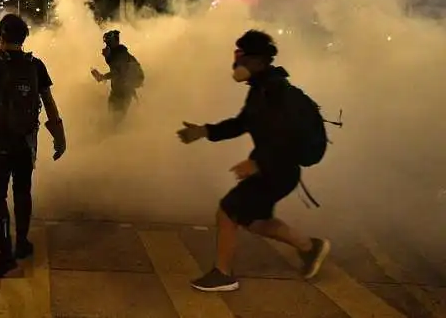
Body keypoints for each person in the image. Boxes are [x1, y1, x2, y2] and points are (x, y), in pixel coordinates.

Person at [177, 30, 330, 292]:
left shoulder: (275, 92)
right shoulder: (261, 89)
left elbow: (284, 136)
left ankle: (223, 274)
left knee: (228, 210)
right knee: (253, 220)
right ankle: (309, 247)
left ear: (258, 60)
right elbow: (242, 123)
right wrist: (205, 131)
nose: (237, 63)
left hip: (277, 170)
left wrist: (258, 163)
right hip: (277, 170)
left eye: (243, 57)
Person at [0, 14, 67, 278]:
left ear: (0, 36)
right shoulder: (35, 64)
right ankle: (22, 242)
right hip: (27, 141)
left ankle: (5, 254)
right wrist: (59, 135)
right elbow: (48, 100)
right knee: (23, 191)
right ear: (24, 37)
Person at [91, 30, 143, 122]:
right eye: (106, 43)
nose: (107, 46)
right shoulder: (116, 54)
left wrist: (102, 77)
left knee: (116, 120)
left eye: (109, 42)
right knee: (113, 118)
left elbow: (118, 73)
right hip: (118, 91)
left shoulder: (120, 54)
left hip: (123, 92)